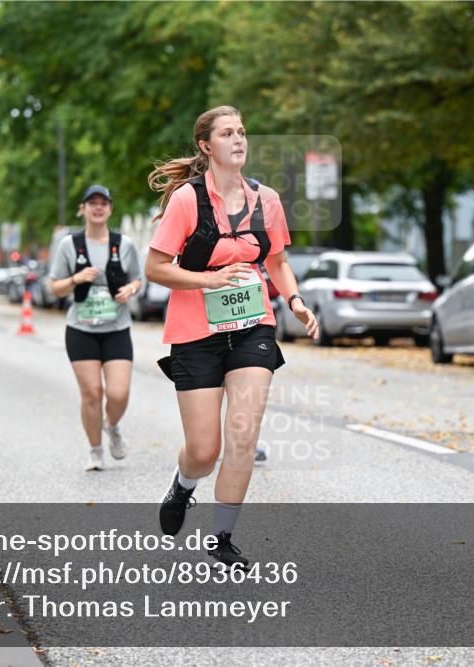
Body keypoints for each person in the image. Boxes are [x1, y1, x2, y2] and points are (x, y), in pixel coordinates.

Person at [145, 106, 318, 567]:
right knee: (205, 449)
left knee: (243, 434)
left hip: (252, 327)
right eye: (227, 133)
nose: (239, 139)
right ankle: (184, 486)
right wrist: (208, 281)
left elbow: (277, 261)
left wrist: (296, 301)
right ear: (206, 146)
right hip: (195, 331)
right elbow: (156, 267)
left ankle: (221, 539)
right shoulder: (187, 200)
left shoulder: (268, 201)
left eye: (242, 131)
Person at [49, 185, 142, 471]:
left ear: (110, 209)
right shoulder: (69, 245)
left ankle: (111, 426)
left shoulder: (124, 244)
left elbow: (138, 279)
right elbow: (54, 288)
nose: (98, 207)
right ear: (84, 208)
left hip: (116, 328)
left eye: (103, 203)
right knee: (91, 393)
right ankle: (95, 450)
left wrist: (130, 289)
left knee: (118, 393)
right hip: (81, 330)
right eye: (93, 203)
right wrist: (76, 279)